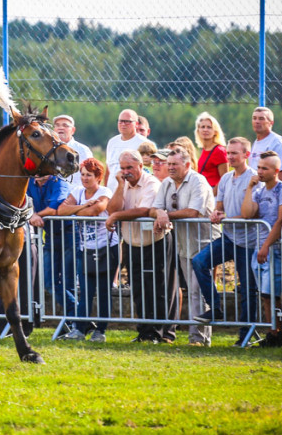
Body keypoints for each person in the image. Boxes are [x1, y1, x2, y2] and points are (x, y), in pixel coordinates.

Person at [191, 138, 258, 339]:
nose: (229, 157)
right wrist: (217, 214)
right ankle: (216, 308)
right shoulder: (226, 179)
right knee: (199, 261)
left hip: (248, 241)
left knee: (248, 289)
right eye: (228, 153)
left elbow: (252, 213)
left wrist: (225, 216)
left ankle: (246, 333)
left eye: (234, 153)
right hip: (228, 236)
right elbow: (219, 206)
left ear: (246, 155)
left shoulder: (254, 178)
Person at [0, 173, 69, 337]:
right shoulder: (8, 189)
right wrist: (32, 214)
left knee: (27, 285)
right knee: (3, 283)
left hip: (27, 241)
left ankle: (25, 324)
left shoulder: (27, 187)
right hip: (7, 243)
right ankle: (1, 324)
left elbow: (42, 207)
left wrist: (33, 214)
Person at [152, 148, 217, 346]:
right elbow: (156, 207)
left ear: (187, 165)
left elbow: (193, 212)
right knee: (192, 289)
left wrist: (165, 215)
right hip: (183, 243)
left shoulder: (198, 181)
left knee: (198, 290)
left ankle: (199, 338)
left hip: (204, 242)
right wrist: (159, 213)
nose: (170, 167)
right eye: (168, 164)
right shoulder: (166, 183)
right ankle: (197, 336)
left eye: (174, 164)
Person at [105, 150, 167, 343]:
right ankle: (144, 332)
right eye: (122, 168)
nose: (126, 172)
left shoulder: (151, 183)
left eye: (129, 167)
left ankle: (158, 333)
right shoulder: (122, 183)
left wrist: (116, 217)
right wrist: (119, 186)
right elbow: (112, 208)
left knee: (155, 289)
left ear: (141, 166)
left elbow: (144, 210)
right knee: (138, 289)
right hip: (132, 242)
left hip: (154, 241)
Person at [57, 158, 118, 342]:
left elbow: (96, 210)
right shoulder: (78, 192)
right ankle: (80, 330)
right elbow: (61, 211)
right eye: (82, 174)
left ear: (98, 177)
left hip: (107, 248)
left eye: (89, 175)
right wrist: (83, 205)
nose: (84, 178)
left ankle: (101, 331)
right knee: (85, 290)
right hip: (86, 248)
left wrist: (76, 210)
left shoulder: (105, 191)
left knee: (103, 291)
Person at [241, 151, 282, 344]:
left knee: (273, 293)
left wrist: (265, 246)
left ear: (276, 171)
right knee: (265, 295)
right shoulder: (259, 190)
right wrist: (249, 187)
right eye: (259, 167)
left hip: (277, 249)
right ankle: (274, 333)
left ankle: (279, 332)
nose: (260, 171)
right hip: (260, 248)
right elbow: (247, 213)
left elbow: (281, 221)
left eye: (265, 168)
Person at [105, 109, 149, 191]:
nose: (123, 124)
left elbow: (149, 170)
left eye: (127, 121)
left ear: (136, 124)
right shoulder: (112, 142)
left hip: (133, 191)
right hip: (112, 192)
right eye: (120, 121)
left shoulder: (144, 143)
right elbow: (108, 169)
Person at [249, 107, 282, 183]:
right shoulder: (256, 142)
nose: (257, 121)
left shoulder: (277, 142)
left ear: (271, 123)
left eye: (261, 119)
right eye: (254, 118)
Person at [52, 115, 92, 187]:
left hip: (76, 194)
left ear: (73, 130)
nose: (60, 128)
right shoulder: (48, 149)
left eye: (65, 125)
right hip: (53, 194)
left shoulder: (83, 150)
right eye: (57, 125)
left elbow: (91, 174)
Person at [195, 112, 228, 191]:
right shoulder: (204, 149)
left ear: (215, 132)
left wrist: (212, 194)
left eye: (209, 127)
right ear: (198, 130)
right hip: (202, 190)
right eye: (202, 127)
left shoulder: (219, 151)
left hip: (213, 193)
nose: (205, 130)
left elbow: (224, 179)